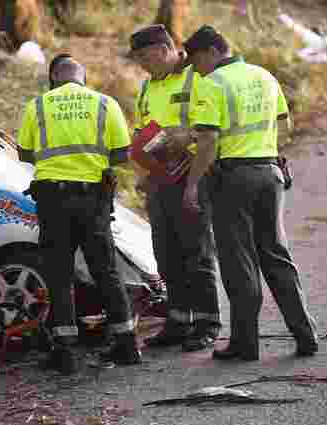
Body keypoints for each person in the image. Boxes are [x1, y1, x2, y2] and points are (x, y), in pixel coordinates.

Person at [180, 25, 318, 360]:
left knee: (239, 261)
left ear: (212, 52)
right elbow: (282, 121)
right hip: (270, 173)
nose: (196, 69)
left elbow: (209, 140)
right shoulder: (264, 75)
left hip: (234, 179)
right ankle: (306, 334)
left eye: (196, 60)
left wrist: (193, 183)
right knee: (276, 254)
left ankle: (245, 343)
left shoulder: (213, 84)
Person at [17, 53, 141, 375]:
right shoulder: (105, 104)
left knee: (59, 274)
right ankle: (127, 344)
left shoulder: (38, 105)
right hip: (93, 200)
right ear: (83, 78)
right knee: (106, 270)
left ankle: (67, 352)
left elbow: (24, 152)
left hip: (53, 200)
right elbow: (122, 153)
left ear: (53, 79)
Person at [124, 24, 222, 352]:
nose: (140, 63)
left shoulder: (198, 76)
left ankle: (207, 322)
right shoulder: (146, 88)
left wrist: (189, 135)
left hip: (193, 173)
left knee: (197, 251)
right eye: (136, 58)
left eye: (143, 56)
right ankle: (179, 320)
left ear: (163, 48)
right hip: (160, 178)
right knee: (166, 252)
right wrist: (143, 171)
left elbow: (214, 126)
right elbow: (141, 132)